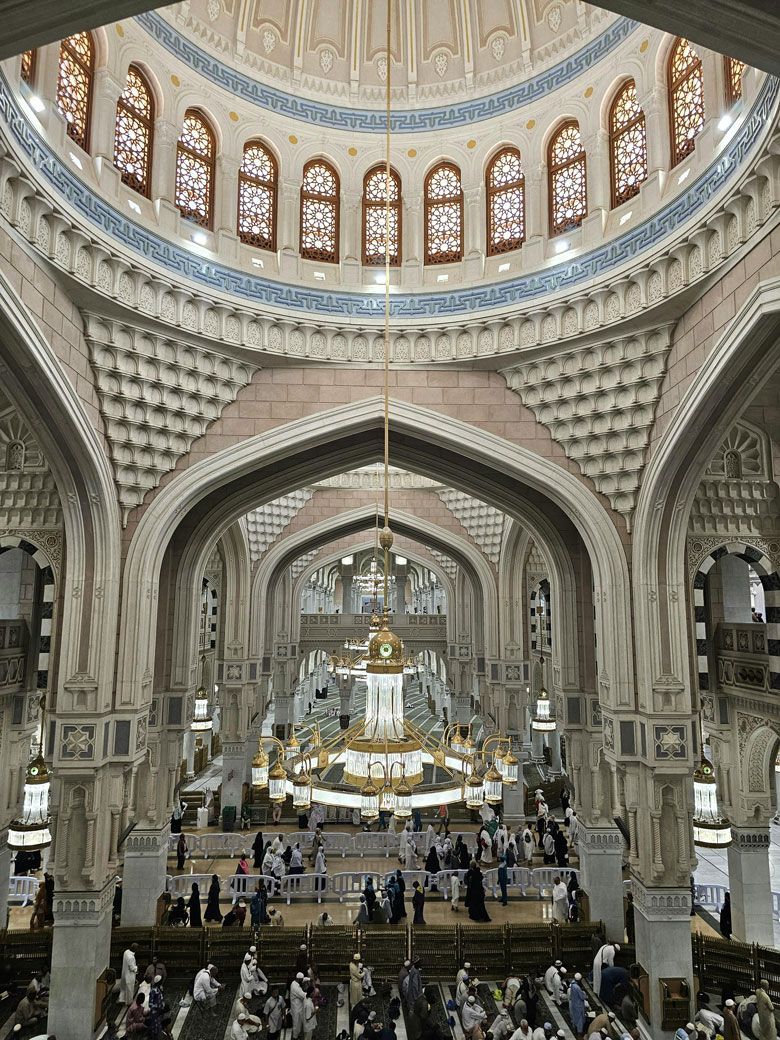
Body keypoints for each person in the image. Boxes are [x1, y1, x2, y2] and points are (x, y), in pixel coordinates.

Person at [289, 973, 307, 1039]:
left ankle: (298, 1034)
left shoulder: (295, 982)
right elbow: (303, 995)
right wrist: (311, 992)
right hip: (296, 1009)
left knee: (300, 1023)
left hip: (299, 1007)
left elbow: (304, 979)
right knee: (296, 1024)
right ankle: (295, 1037)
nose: (302, 981)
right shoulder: (295, 987)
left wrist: (309, 979)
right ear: (299, 979)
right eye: (301, 980)